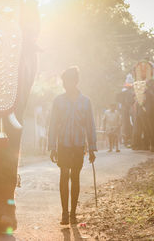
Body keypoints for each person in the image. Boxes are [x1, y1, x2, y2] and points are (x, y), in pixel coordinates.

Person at [48, 66, 97, 225]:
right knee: (64, 175)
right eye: (63, 81)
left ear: (75, 81)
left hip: (78, 145)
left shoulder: (85, 101)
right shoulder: (58, 100)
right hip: (63, 144)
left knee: (75, 177)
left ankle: (73, 214)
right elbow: (53, 124)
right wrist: (52, 146)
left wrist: (91, 148)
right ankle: (64, 213)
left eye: (67, 81)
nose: (64, 84)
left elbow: (90, 125)